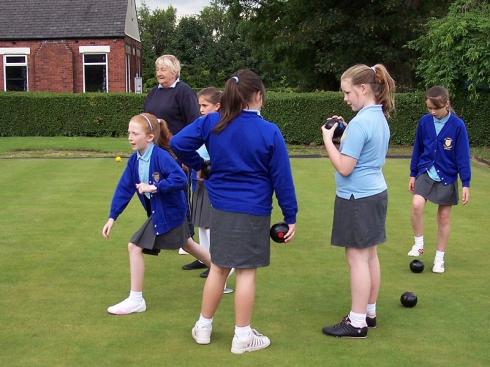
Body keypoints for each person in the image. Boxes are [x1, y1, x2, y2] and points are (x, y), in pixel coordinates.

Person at [170, 69, 298, 354]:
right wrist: (291, 217)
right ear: (258, 96)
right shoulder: (269, 131)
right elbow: (282, 179)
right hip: (253, 209)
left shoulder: (213, 122)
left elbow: (178, 144)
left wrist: (200, 165)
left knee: (219, 267)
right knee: (246, 272)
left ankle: (203, 327)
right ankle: (242, 336)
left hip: (222, 207)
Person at [101, 113, 210, 315]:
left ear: (150, 137)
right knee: (188, 244)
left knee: (134, 246)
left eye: (135, 133)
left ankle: (136, 300)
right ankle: (220, 270)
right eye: (129, 133)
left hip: (171, 212)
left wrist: (155, 187)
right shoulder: (135, 160)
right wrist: (112, 217)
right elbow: (125, 188)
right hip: (165, 212)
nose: (130, 138)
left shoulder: (161, 157)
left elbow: (180, 179)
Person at [321, 64, 395, 338]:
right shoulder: (376, 117)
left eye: (347, 92)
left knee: (356, 258)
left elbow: (344, 167)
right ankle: (368, 312)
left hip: (357, 198)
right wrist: (344, 130)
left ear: (363, 89)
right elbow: (359, 150)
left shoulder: (362, 122)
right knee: (369, 254)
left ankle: (356, 321)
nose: (345, 98)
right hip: (374, 193)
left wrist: (328, 139)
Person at [407, 86, 471, 273]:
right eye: (429, 108)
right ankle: (419, 243)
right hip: (426, 171)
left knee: (443, 217)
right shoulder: (424, 122)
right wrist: (413, 173)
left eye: (436, 108)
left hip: (447, 175)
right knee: (417, 204)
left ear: (447, 104)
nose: (433, 112)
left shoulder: (458, 125)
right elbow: (418, 149)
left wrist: (465, 183)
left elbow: (462, 156)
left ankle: (439, 258)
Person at [143, 54, 201, 255]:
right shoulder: (152, 93)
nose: (159, 73)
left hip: (176, 153)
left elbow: (194, 124)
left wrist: (187, 154)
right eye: (157, 69)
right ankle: (158, 235)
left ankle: (187, 237)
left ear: (175, 71)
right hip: (154, 152)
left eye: (164, 69)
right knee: (155, 192)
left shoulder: (183, 92)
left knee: (180, 193)